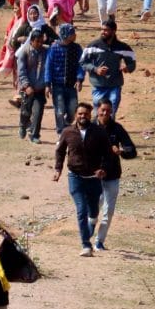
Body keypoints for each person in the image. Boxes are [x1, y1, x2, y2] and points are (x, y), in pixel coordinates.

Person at [53, 103, 110, 256]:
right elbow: (60, 152)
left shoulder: (99, 132)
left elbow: (108, 154)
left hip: (93, 178)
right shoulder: (67, 132)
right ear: (75, 115)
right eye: (80, 114)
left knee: (93, 210)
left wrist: (102, 168)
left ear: (90, 115)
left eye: (85, 114)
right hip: (75, 177)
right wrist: (58, 169)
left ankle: (92, 221)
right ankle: (86, 245)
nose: (82, 116)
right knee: (81, 209)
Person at [93, 99, 137, 250]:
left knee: (108, 211)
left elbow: (132, 151)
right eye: (102, 110)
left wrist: (121, 152)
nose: (105, 113)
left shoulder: (117, 129)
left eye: (108, 110)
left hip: (112, 175)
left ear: (112, 112)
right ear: (97, 110)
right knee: (93, 208)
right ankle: (87, 234)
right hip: (93, 176)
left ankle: (99, 241)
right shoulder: (89, 127)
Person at [80, 19, 135, 115]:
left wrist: (127, 68)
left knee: (111, 113)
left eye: (106, 30)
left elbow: (132, 63)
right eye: (102, 29)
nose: (103, 32)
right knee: (99, 114)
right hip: (98, 86)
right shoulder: (93, 46)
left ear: (113, 31)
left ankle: (108, 130)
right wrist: (96, 69)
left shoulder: (122, 47)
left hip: (115, 85)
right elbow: (83, 62)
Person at [44, 23, 83, 135]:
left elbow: (81, 65)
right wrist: (47, 84)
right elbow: (48, 67)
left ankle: (66, 123)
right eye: (72, 33)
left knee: (73, 109)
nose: (75, 35)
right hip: (57, 86)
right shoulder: (54, 48)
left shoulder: (76, 48)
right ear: (66, 35)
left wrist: (79, 79)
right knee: (59, 110)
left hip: (71, 85)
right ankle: (61, 132)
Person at [15, 27, 50, 143]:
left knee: (38, 111)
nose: (40, 44)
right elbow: (21, 71)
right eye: (37, 41)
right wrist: (26, 85)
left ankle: (35, 134)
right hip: (27, 88)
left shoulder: (46, 52)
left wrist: (47, 85)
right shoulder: (24, 52)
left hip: (40, 88)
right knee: (26, 110)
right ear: (31, 41)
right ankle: (22, 125)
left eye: (41, 41)